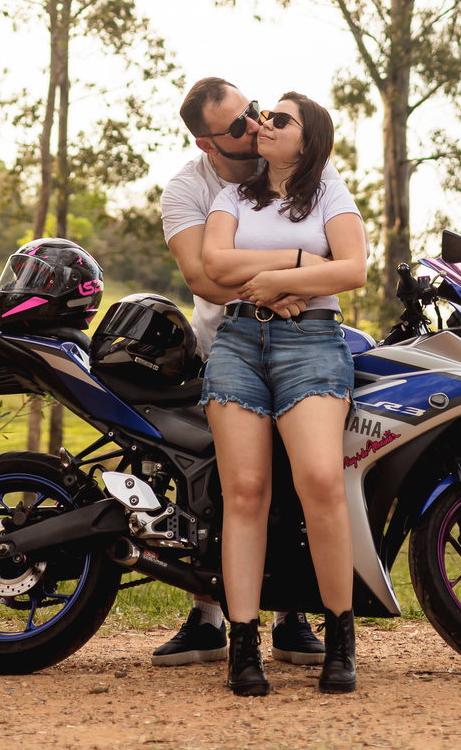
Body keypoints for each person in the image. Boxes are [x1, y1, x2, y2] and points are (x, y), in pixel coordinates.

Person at [153, 75, 337, 669]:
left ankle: (292, 615)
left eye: (255, 112)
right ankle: (210, 616)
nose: (255, 125)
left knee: (298, 474)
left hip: (300, 327)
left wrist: (289, 278)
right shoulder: (191, 189)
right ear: (209, 144)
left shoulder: (281, 167)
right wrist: (284, 280)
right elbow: (205, 278)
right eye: (238, 126)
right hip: (223, 336)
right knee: (226, 482)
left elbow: (342, 256)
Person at [201, 92, 367, 697]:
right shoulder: (233, 196)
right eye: (263, 115)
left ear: (309, 137)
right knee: (244, 491)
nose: (264, 123)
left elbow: (352, 270)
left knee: (320, 479)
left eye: (280, 119)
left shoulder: (329, 190)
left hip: (314, 343)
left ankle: (341, 635)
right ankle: (242, 646)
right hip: (240, 342)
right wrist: (294, 264)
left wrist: (276, 280)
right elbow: (214, 264)